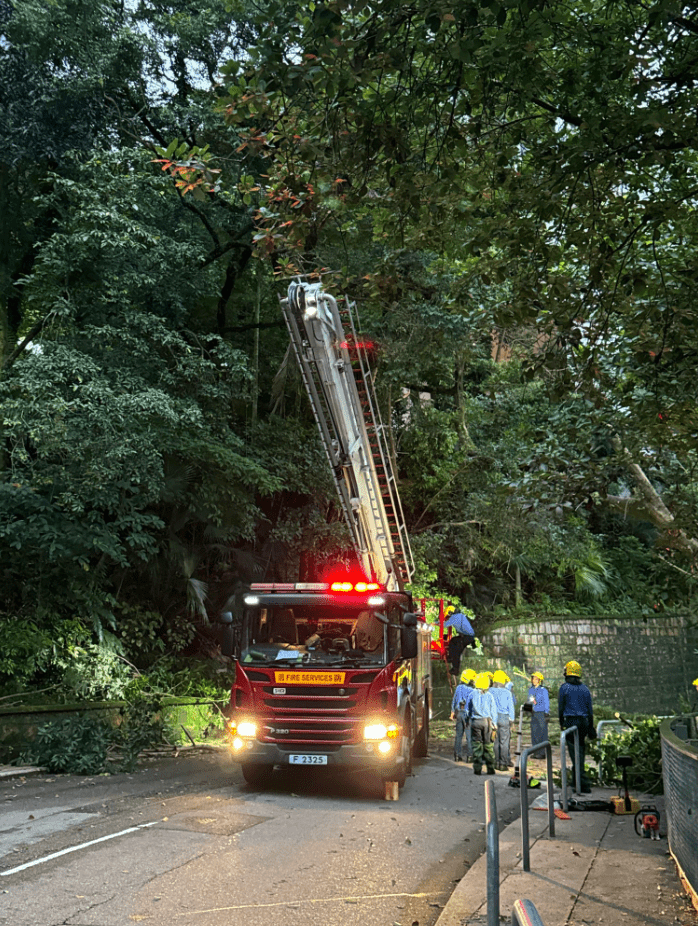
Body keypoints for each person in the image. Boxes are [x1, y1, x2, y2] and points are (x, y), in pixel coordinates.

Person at [558, 659, 595, 793]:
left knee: (575, 754)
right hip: (584, 723)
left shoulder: (564, 688)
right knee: (580, 751)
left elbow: (561, 708)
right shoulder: (585, 689)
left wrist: (561, 723)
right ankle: (577, 781)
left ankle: (582, 783)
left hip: (571, 722)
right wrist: (591, 727)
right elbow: (590, 710)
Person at [468, 672, 498, 775]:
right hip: (487, 722)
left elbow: (468, 709)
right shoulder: (489, 695)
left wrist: (469, 718)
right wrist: (494, 723)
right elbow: (493, 711)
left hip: (475, 722)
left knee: (477, 745)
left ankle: (477, 769)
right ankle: (490, 768)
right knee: (488, 745)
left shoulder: (472, 694)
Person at [491, 670, 515, 770]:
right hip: (504, 718)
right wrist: (512, 721)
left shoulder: (490, 691)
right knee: (504, 742)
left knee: (495, 741)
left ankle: (496, 762)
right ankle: (503, 764)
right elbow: (511, 707)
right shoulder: (507, 692)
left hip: (494, 718)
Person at [450, 669, 476, 762]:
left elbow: (454, 700)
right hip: (468, 714)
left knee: (458, 736)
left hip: (459, 713)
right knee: (469, 736)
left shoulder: (458, 688)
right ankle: (470, 756)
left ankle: (457, 755)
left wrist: (452, 712)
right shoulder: (472, 690)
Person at [444, 605, 476, 675]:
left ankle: (455, 669)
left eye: (448, 616)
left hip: (467, 637)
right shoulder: (460, 615)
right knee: (453, 641)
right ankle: (450, 657)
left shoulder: (454, 617)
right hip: (469, 637)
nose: (448, 618)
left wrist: (435, 623)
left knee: (456, 651)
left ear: (450, 613)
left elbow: (444, 625)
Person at [526, 670, 549, 756]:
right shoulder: (531, 690)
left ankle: (542, 753)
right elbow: (529, 700)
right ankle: (535, 752)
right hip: (533, 713)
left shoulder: (543, 690)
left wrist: (547, 713)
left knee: (542, 733)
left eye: (536, 679)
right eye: (533, 678)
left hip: (541, 713)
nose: (533, 680)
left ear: (539, 680)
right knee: (534, 733)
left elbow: (546, 702)